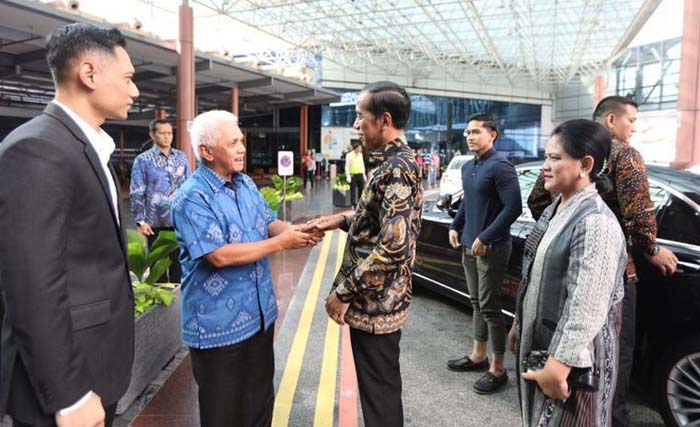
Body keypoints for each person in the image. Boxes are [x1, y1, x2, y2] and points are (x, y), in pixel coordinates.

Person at [0, 23, 139, 427]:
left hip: (93, 368)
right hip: (67, 387)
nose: (134, 91)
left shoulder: (83, 147)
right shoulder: (38, 149)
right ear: (89, 73)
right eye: (128, 78)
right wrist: (69, 395)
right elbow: (31, 284)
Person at [527, 96, 678, 427]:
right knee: (612, 366)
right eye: (631, 121)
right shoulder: (623, 155)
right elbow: (640, 217)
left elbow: (537, 200)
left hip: (562, 267)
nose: (633, 128)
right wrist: (650, 249)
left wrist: (563, 235)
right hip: (619, 275)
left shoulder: (564, 148)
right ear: (610, 120)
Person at [170, 110, 322, 427]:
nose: (242, 148)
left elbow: (268, 222)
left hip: (259, 317)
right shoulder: (192, 197)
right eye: (233, 142)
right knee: (224, 413)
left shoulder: (246, 184)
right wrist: (283, 243)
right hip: (218, 328)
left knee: (259, 404)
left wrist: (298, 231)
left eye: (242, 140)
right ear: (206, 151)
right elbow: (218, 256)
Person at [311, 81, 422, 427]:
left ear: (384, 120)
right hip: (379, 301)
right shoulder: (390, 162)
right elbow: (381, 220)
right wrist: (341, 219)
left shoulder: (397, 168)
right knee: (380, 388)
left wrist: (343, 293)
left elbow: (392, 247)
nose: (357, 124)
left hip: (377, 305)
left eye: (361, 117)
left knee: (380, 393)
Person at [510, 119, 627, 426]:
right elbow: (533, 275)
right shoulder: (556, 208)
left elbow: (587, 304)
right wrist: (518, 325)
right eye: (547, 157)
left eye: (555, 158)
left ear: (585, 164)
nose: (545, 166)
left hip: (575, 361)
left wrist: (560, 365)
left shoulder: (596, 223)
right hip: (545, 347)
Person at [446, 113, 522, 394]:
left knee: (490, 307)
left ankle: (498, 368)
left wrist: (485, 236)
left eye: (476, 131)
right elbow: (468, 200)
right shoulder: (470, 167)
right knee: (476, 302)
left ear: (493, 135)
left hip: (491, 246)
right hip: (468, 244)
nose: (470, 136)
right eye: (467, 131)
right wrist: (456, 225)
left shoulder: (501, 167)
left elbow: (512, 208)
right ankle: (478, 356)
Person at [130, 118, 190, 282]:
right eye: (162, 133)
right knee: (158, 271)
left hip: (178, 221)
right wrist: (140, 221)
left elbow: (188, 188)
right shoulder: (143, 160)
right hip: (154, 223)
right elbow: (137, 191)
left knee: (179, 267)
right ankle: (161, 306)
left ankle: (178, 306)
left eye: (169, 133)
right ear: (152, 134)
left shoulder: (181, 158)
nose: (166, 137)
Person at [345, 142, 366, 207]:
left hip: (360, 174)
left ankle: (360, 203)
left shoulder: (360, 155)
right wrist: (348, 176)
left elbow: (362, 165)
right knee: (353, 191)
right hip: (353, 175)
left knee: (361, 189)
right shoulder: (349, 155)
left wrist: (364, 174)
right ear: (356, 148)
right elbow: (347, 166)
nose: (360, 149)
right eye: (359, 148)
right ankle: (353, 204)